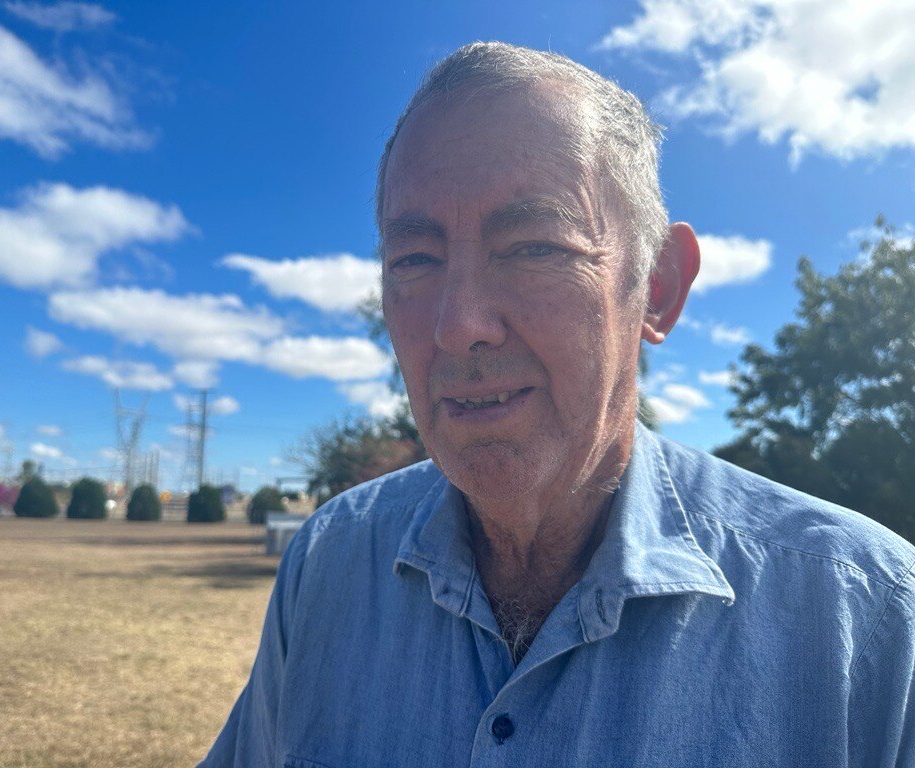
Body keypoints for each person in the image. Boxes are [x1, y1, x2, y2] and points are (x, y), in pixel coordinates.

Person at [199, 42, 915, 767]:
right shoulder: (328, 563)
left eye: (535, 247)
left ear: (657, 287)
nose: (459, 325)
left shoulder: (868, 622)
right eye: (414, 259)